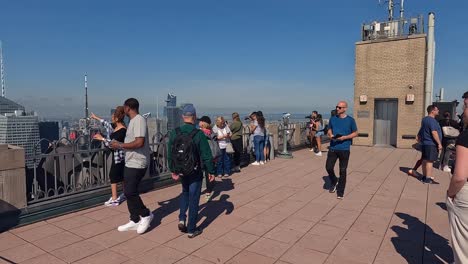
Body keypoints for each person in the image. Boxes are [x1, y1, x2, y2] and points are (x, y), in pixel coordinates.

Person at [167, 105, 215, 238]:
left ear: (183, 117)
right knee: (194, 198)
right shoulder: (198, 134)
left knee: (185, 192)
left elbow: (170, 153)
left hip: (181, 170)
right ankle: (192, 229)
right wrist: (211, 171)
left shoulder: (175, 132)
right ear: (194, 117)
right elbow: (206, 154)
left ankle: (182, 218)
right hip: (195, 171)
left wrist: (173, 169)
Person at [110, 98, 153, 234]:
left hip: (138, 162)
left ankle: (146, 215)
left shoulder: (139, 120)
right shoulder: (133, 121)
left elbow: (140, 142)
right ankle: (134, 219)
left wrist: (120, 145)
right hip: (130, 161)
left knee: (130, 191)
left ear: (128, 108)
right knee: (127, 191)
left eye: (124, 107)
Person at [91, 107, 127, 206]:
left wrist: (101, 138)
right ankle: (125, 193)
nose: (111, 119)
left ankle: (115, 199)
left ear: (117, 118)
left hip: (119, 157)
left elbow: (112, 144)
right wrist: (95, 117)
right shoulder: (116, 127)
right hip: (118, 156)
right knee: (122, 175)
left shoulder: (122, 131)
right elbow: (105, 123)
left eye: (113, 117)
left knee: (113, 176)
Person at [446, 103, 468, 264]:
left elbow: (460, 176)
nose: (463, 111)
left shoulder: (465, 136)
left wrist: (451, 193)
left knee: (463, 248)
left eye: (466, 106)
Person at [326, 101, 358, 199]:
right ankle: (334, 180)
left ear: (345, 109)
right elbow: (329, 129)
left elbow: (355, 133)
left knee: (343, 171)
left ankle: (340, 192)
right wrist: (330, 135)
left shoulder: (350, 120)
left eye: (340, 107)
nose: (337, 109)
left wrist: (345, 137)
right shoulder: (333, 119)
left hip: (344, 149)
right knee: (328, 167)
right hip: (333, 147)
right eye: (337, 107)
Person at [417, 105, 442, 183]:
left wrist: (419, 137)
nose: (438, 111)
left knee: (425, 160)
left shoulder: (424, 119)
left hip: (425, 143)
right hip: (431, 144)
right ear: (432, 111)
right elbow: (434, 132)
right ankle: (428, 179)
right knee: (429, 161)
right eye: (437, 110)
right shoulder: (432, 120)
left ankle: (424, 177)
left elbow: (421, 130)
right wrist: (439, 143)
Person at [198, 116, 216, 201]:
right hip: (211, 155)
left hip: (201, 155)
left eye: (200, 121)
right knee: (209, 173)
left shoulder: (200, 133)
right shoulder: (211, 132)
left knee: (199, 172)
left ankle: (200, 188)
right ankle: (208, 192)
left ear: (203, 123)